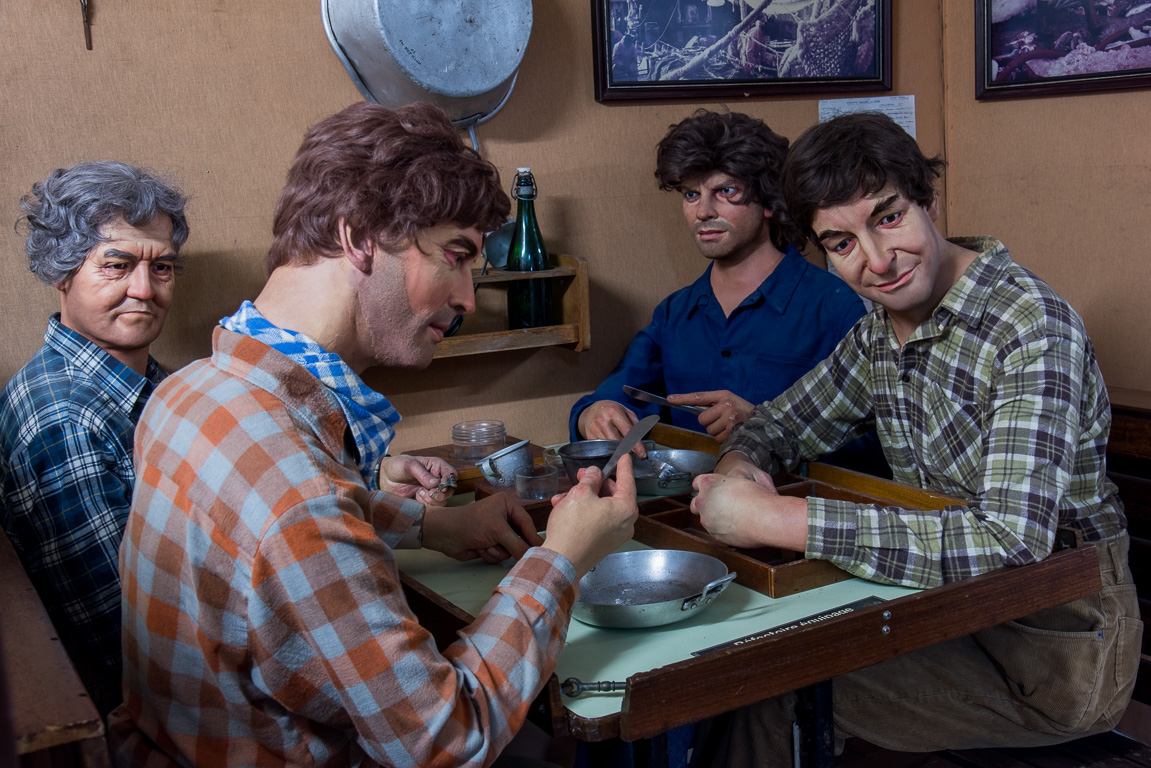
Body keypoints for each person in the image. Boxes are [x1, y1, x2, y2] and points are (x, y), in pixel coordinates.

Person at [109, 101, 638, 768]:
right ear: (359, 235)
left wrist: (431, 526)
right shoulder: (298, 499)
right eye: (455, 256)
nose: (469, 296)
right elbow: (446, 740)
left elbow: (264, 534)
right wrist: (561, 558)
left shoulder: (189, 391)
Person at [690, 111, 1140, 765]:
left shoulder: (1030, 328)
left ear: (928, 200)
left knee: (767, 685)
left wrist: (779, 517)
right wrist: (737, 471)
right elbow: (773, 424)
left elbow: (1008, 542)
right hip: (945, 615)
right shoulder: (877, 330)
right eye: (840, 244)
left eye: (887, 217)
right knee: (740, 661)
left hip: (1057, 658)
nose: (876, 260)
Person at [569, 110, 875, 467]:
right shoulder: (674, 314)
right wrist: (595, 412)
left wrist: (766, 427)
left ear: (768, 201)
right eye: (690, 194)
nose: (703, 211)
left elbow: (877, 444)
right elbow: (619, 393)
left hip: (791, 511)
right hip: (690, 510)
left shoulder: (833, 307)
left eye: (725, 190)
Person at [0, 161, 189, 717]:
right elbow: (130, 642)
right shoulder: (66, 420)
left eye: (162, 268)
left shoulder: (157, 383)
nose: (144, 290)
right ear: (62, 274)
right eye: (117, 264)